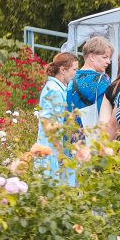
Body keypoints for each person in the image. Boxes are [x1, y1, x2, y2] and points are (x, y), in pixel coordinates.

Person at [34, 52, 79, 183]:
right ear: (63, 70)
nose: (76, 73)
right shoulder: (54, 89)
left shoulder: (59, 88)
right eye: (74, 69)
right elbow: (48, 123)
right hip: (50, 150)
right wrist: (60, 152)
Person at [67, 36, 114, 130]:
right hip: (92, 136)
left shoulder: (71, 79)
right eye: (105, 57)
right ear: (92, 57)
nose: (108, 61)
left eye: (109, 58)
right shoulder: (101, 80)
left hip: (72, 135)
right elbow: (106, 114)